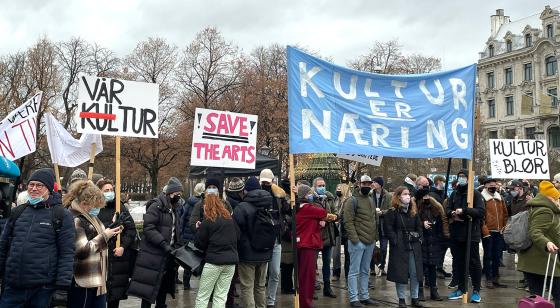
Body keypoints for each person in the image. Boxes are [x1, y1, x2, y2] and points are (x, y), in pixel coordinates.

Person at [0, 168, 75, 307]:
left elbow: (67, 253)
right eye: (31, 184)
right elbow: (3, 246)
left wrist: (62, 287)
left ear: (48, 189)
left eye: (39, 185)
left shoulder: (61, 215)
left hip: (42, 290)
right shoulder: (18, 212)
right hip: (13, 286)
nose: (34, 188)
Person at [64, 180, 123, 308]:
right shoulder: (75, 219)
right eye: (95, 205)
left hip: (97, 279)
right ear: (85, 204)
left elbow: (98, 240)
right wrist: (105, 235)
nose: (97, 208)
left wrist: (111, 233)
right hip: (84, 280)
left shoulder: (91, 217)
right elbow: (82, 251)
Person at [128, 177, 184, 308]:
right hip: (153, 255)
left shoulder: (174, 208)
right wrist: (163, 244)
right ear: (170, 193)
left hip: (168, 256)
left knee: (163, 289)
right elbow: (149, 228)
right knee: (147, 291)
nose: (179, 196)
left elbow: (175, 231)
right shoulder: (155, 206)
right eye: (177, 194)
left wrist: (178, 246)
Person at [194, 186, 240, 308]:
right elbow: (238, 236)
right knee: (220, 297)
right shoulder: (229, 218)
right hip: (230, 263)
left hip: (213, 263)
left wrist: (199, 229)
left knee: (203, 297)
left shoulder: (207, 221)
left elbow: (199, 244)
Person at [518, 181, 560, 307]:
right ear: (549, 198)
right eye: (556, 198)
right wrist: (547, 242)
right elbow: (535, 231)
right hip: (543, 261)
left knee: (537, 298)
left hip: (535, 262)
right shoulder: (545, 211)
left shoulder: (539, 207)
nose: (558, 201)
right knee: (551, 296)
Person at [97, 179, 138, 308]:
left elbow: (131, 230)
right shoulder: (94, 208)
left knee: (114, 298)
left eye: (111, 190)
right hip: (100, 258)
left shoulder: (120, 207)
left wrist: (123, 247)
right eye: (106, 190)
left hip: (117, 260)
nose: (110, 193)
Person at [233, 177, 273, 308]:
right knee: (260, 287)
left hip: (247, 254)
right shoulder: (268, 204)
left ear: (246, 190)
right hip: (265, 251)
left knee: (246, 287)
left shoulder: (241, 207)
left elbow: (235, 232)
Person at [446, 169, 485, 303]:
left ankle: (476, 290)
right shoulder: (455, 194)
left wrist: (465, 211)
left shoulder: (474, 194)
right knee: (459, 262)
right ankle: (461, 288)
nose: (461, 179)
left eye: (463, 177)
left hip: (471, 233)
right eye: (459, 177)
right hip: (457, 233)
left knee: (473, 262)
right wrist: (452, 213)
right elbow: (448, 209)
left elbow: (480, 211)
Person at [295, 184, 335, 308]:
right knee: (307, 277)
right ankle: (305, 303)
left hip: (303, 243)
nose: (311, 195)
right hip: (308, 245)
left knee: (304, 276)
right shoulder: (308, 208)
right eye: (309, 193)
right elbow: (323, 211)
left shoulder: (300, 208)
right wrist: (318, 198)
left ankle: (305, 302)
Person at [385, 187, 424, 308]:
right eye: (405, 194)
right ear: (398, 196)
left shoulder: (413, 211)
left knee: (415, 273)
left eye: (408, 194)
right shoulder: (392, 212)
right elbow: (388, 228)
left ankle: (415, 298)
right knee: (400, 273)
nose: (408, 196)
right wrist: (395, 240)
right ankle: (401, 299)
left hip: (414, 245)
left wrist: (419, 239)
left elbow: (419, 227)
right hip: (399, 246)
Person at [343, 175, 378, 307]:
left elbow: (374, 219)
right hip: (357, 242)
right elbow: (348, 221)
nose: (367, 186)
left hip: (369, 241)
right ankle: (354, 298)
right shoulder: (352, 200)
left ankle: (364, 296)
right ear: (359, 184)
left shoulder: (370, 199)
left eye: (369, 184)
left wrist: (375, 238)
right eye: (364, 184)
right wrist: (355, 240)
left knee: (365, 271)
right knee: (354, 271)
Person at [260, 169, 290, 308]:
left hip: (276, 238)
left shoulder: (278, 194)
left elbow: (288, 210)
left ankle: (271, 301)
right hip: (262, 239)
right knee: (261, 274)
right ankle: (260, 300)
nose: (266, 183)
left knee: (275, 272)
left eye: (268, 181)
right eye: (264, 181)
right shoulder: (257, 194)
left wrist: (288, 194)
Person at [416, 188, 448, 302]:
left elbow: (441, 223)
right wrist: (421, 223)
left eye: (427, 195)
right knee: (421, 267)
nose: (426, 197)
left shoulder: (436, 208)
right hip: (422, 241)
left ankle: (434, 291)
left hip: (434, 241)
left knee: (432, 267)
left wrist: (440, 237)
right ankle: (419, 291)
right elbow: (412, 222)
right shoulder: (416, 208)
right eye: (424, 196)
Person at [312, 176, 338, 298]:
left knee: (327, 263)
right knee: (312, 264)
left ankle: (327, 288)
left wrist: (330, 218)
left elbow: (335, 213)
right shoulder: (311, 200)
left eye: (323, 185)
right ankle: (311, 288)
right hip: (316, 236)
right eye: (319, 186)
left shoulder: (329, 199)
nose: (322, 188)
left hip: (328, 235)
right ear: (314, 187)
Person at [480, 177, 508, 289]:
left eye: (494, 185)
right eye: (491, 184)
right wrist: (485, 231)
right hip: (488, 232)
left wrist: (503, 227)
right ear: (486, 186)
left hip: (499, 231)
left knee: (497, 256)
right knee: (488, 255)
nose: (493, 186)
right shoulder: (482, 198)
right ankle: (489, 279)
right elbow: (481, 217)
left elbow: (505, 214)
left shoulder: (499, 197)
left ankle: (496, 278)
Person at [181, 182, 205, 290]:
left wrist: (181, 233)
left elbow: (182, 218)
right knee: (201, 259)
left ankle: (186, 282)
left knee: (189, 259)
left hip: (188, 235)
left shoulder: (188, 202)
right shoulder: (203, 203)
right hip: (199, 235)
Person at [371, 176, 391, 276]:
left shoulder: (387, 195)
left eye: (374, 182)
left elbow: (392, 209)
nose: (372, 184)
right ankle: (372, 268)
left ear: (380, 184)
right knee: (371, 247)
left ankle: (382, 267)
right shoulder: (370, 194)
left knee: (383, 248)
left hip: (384, 225)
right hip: (373, 225)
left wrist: (382, 212)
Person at [332, 183, 351, 281]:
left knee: (348, 253)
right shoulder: (335, 200)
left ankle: (348, 274)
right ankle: (336, 272)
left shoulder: (349, 201)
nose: (338, 190)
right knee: (335, 253)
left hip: (346, 230)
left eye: (340, 189)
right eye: (337, 188)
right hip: (337, 228)